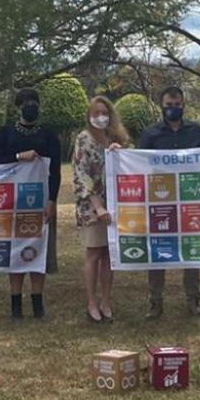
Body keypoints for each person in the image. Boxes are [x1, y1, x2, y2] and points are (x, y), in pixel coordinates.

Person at [137, 87, 200, 318]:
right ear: (161, 105)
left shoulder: (197, 132)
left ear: (183, 104)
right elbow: (139, 165)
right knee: (158, 251)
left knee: (193, 250)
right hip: (160, 200)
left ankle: (193, 301)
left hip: (191, 199)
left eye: (177, 104)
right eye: (168, 104)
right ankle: (155, 302)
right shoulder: (150, 134)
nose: (173, 108)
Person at [0, 86, 62, 319]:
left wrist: (52, 200)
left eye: (34, 102)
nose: (31, 106)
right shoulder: (6, 132)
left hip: (40, 200)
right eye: (26, 103)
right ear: (18, 107)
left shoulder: (49, 134)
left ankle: (38, 302)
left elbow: (56, 171)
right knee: (15, 250)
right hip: (12, 201)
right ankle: (15, 304)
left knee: (39, 249)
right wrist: (19, 157)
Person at [72, 95, 126, 323]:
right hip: (92, 205)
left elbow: (129, 165)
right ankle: (91, 302)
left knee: (108, 253)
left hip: (114, 203)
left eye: (104, 113)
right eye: (96, 113)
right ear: (89, 116)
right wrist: (98, 206)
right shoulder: (84, 138)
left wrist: (119, 152)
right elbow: (81, 174)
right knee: (94, 253)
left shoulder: (116, 137)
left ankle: (106, 300)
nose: (101, 117)